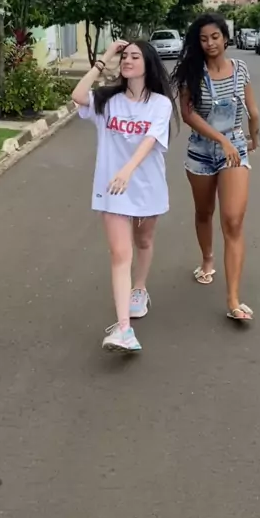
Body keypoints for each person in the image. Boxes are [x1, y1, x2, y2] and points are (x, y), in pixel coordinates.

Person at [72, 39, 178, 353]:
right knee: (120, 254)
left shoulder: (160, 104)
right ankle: (123, 329)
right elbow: (78, 95)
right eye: (125, 56)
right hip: (112, 189)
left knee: (143, 241)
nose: (127, 61)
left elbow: (149, 140)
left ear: (148, 64)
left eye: (135, 57)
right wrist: (104, 57)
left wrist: (128, 171)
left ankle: (139, 288)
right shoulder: (108, 100)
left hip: (146, 186)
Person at [171, 13, 260, 322]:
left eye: (215, 37)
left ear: (225, 37)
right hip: (201, 150)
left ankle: (233, 299)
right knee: (204, 212)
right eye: (203, 39)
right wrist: (219, 139)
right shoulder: (192, 73)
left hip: (234, 148)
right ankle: (207, 258)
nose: (210, 43)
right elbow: (188, 114)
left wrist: (254, 136)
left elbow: (252, 108)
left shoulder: (241, 69)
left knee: (232, 220)